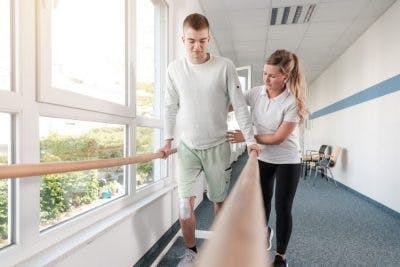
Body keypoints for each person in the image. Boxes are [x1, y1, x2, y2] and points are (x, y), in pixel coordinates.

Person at [158, 13, 260, 267]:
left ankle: (221, 251)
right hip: (187, 148)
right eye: (191, 40)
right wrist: (168, 139)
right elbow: (170, 106)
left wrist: (250, 140)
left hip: (217, 146)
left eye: (203, 40)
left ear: (209, 38)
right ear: (183, 39)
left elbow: (239, 105)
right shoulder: (174, 69)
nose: (197, 46)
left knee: (220, 205)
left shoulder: (224, 66)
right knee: (184, 207)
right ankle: (191, 252)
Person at [226, 49, 306, 267]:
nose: (266, 79)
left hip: (288, 160)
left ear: (285, 77)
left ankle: (281, 257)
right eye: (264, 74)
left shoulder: (292, 103)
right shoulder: (256, 93)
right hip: (263, 157)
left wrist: (247, 136)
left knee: (283, 208)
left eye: (272, 75)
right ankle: (264, 230)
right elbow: (233, 104)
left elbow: (278, 138)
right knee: (261, 204)